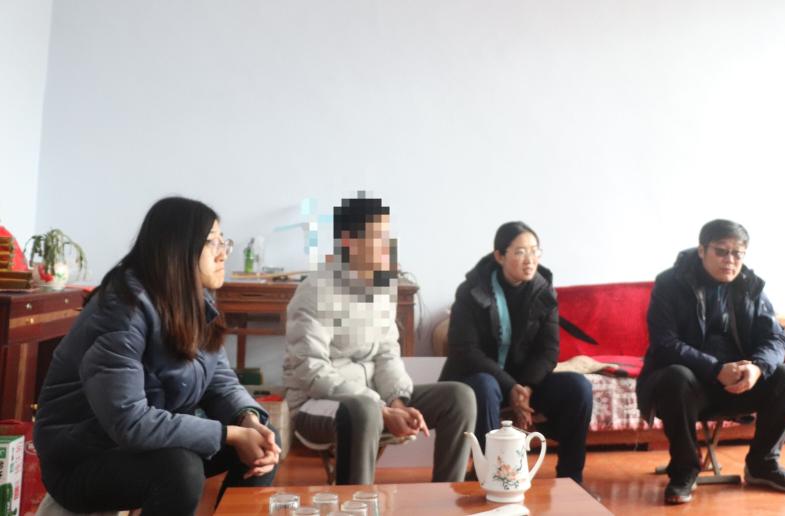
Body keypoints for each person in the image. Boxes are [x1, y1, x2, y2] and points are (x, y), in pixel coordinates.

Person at [33, 197, 280, 515]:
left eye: (224, 242)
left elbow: (220, 381)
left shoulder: (194, 301)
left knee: (263, 444)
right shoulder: (121, 310)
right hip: (83, 458)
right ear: (176, 248)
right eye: (212, 242)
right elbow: (129, 421)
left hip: (147, 445)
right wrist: (229, 434)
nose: (223, 253)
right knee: (181, 469)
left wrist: (248, 420)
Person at [284, 195, 476, 484]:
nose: (388, 245)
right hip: (316, 404)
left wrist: (397, 401)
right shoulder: (314, 292)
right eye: (379, 237)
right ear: (349, 242)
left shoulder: (382, 287)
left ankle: (445, 494)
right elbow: (312, 371)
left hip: (375, 398)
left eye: (388, 235)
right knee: (363, 411)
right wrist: (379, 406)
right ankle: (355, 502)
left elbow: (387, 353)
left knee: (459, 397)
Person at [636, 219, 785, 504]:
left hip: (737, 384)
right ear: (702, 250)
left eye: (738, 253)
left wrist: (757, 368)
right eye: (721, 251)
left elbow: (775, 338)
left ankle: (762, 464)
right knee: (675, 376)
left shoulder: (750, 286)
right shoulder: (670, 283)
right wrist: (715, 370)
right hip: (689, 388)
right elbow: (664, 343)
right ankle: (684, 470)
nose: (730, 260)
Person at [439, 221, 593, 483]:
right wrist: (509, 386)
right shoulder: (471, 291)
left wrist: (526, 387)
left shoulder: (544, 291)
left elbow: (549, 351)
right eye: (520, 252)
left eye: (534, 251)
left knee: (579, 387)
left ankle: (571, 478)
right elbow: (465, 350)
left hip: (525, 383)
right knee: (486, 386)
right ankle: (487, 475)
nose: (530, 260)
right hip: (481, 379)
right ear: (500, 256)